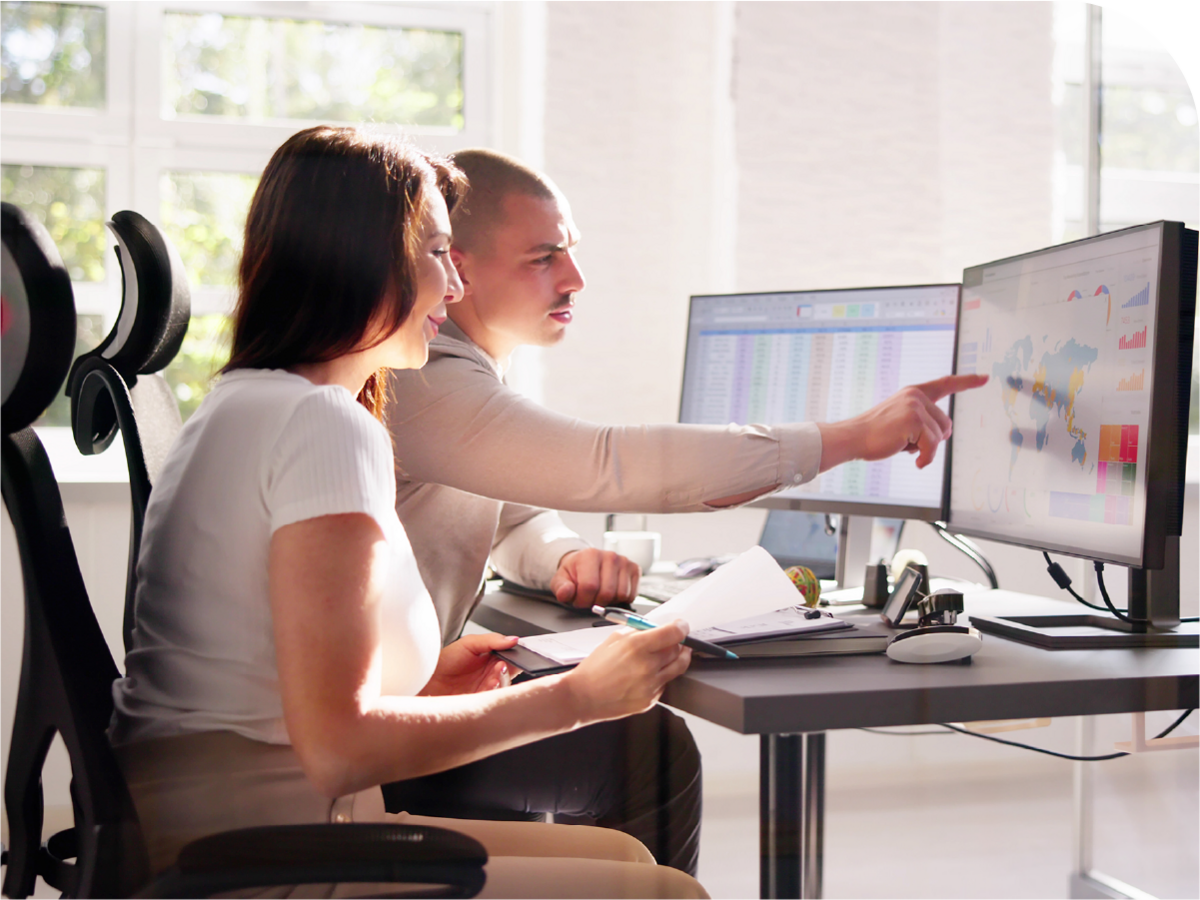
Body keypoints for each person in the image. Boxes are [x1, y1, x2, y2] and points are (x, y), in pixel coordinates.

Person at [109, 125, 710, 900]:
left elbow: (265, 687)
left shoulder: (244, 405)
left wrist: (423, 688)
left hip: (234, 828)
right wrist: (575, 699)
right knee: (667, 893)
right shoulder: (325, 426)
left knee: (629, 863)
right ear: (364, 259)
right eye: (435, 255)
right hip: (270, 859)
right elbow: (337, 751)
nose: (454, 289)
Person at [383, 148, 987, 872]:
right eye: (545, 258)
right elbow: (606, 463)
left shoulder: (455, 381)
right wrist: (852, 436)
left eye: (570, 252)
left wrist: (563, 557)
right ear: (459, 268)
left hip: (402, 698)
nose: (576, 279)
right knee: (650, 750)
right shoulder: (423, 382)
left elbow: (510, 517)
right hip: (368, 740)